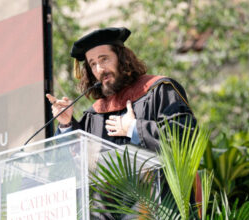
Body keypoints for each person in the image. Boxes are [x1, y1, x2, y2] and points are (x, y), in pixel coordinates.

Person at [46, 27, 196, 151]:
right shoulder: (95, 115)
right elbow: (75, 166)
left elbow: (184, 138)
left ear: (122, 58)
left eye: (104, 59)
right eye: (92, 64)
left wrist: (133, 128)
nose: (99, 69)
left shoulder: (159, 91)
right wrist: (66, 125)